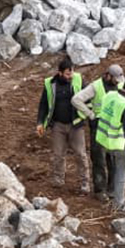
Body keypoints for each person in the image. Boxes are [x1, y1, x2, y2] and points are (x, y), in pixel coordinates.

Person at [37, 56, 90, 194]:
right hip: (58, 126)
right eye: (67, 74)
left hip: (76, 125)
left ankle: (85, 183)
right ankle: (58, 179)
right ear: (60, 73)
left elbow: (89, 97)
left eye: (71, 72)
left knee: (80, 154)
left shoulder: (78, 80)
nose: (70, 76)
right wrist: (40, 123)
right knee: (58, 154)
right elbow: (43, 105)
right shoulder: (50, 84)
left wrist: (89, 115)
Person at [72, 64, 124, 199]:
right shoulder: (96, 86)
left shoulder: (120, 85)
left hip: (113, 128)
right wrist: (90, 114)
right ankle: (100, 190)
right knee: (99, 159)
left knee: (112, 159)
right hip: (99, 127)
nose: (117, 82)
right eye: (115, 79)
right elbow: (76, 99)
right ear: (108, 75)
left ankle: (112, 189)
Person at [95, 74, 125, 215]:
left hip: (103, 139)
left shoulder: (110, 95)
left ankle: (115, 197)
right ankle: (119, 205)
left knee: (112, 167)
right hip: (117, 143)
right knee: (121, 173)